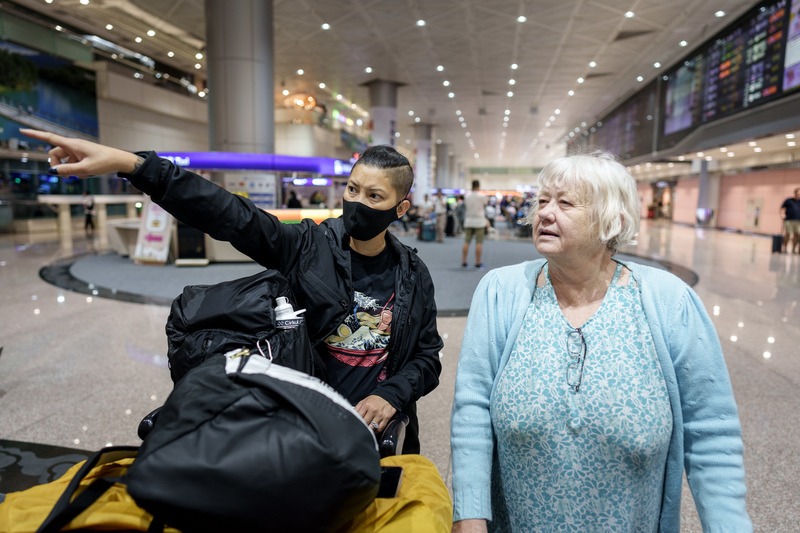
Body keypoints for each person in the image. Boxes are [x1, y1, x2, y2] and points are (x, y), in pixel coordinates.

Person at [21, 128, 443, 455]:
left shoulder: (413, 274)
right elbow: (232, 215)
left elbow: (427, 357)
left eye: (375, 196)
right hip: (303, 421)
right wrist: (134, 164)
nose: (357, 202)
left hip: (376, 433)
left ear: (400, 208)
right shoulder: (307, 247)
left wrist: (391, 395)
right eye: (352, 189)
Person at [450, 151, 751, 532]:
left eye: (565, 203)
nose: (544, 213)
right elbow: (471, 411)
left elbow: (711, 432)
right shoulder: (500, 292)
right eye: (542, 201)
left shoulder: (669, 301)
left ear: (612, 220)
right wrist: (470, 514)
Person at [462, 180, 487, 269]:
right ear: (478, 186)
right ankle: (477, 262)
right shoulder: (482, 196)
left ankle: (464, 262)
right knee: (479, 243)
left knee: (466, 241)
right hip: (479, 222)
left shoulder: (467, 196)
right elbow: (484, 206)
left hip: (468, 221)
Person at [780, 187, 800, 253]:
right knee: (788, 234)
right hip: (789, 220)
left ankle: (793, 249)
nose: (798, 195)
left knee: (796, 234)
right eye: (797, 194)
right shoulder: (789, 200)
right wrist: (782, 214)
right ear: (795, 193)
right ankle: (785, 248)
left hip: (798, 221)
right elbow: (782, 208)